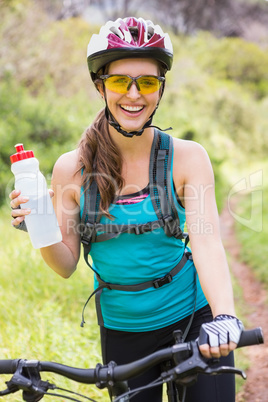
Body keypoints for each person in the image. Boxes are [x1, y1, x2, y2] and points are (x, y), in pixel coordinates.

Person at [10, 17, 243, 402]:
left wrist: (224, 316)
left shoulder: (187, 158)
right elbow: (65, 265)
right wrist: (41, 226)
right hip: (124, 331)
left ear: (160, 89)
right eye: (120, 81)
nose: (134, 94)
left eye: (147, 82)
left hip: (194, 320)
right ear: (100, 86)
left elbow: (206, 243)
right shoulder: (73, 168)